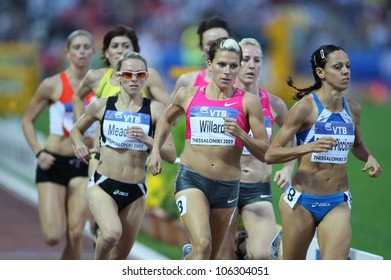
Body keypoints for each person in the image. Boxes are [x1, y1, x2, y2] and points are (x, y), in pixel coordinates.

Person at [149, 37, 270, 260]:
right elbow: (165, 120)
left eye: (234, 66)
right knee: (203, 244)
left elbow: (265, 152)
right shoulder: (188, 94)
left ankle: (189, 258)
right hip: (192, 179)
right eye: (221, 64)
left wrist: (242, 135)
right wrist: (156, 150)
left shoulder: (249, 102)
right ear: (209, 64)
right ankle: (195, 252)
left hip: (227, 185)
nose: (227, 71)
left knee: (210, 255)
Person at [264, 44, 382, 260]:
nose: (345, 71)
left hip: (338, 201)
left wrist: (369, 157)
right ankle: (282, 250)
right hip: (301, 202)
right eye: (338, 67)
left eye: (347, 66)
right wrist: (308, 147)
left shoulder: (353, 109)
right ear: (321, 73)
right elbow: (272, 154)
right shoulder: (305, 108)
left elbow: (357, 144)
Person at [70, 51, 176, 260]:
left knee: (119, 257)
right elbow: (76, 130)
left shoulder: (155, 110)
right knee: (110, 234)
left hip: (136, 190)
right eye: (128, 74)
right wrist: (79, 145)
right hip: (103, 184)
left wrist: (148, 141)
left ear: (146, 78)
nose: (134, 79)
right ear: (118, 77)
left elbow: (171, 155)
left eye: (139, 74)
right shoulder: (101, 106)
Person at [216, 38, 295, 260]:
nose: (251, 65)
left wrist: (288, 168)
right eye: (246, 59)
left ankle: (242, 244)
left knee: (262, 255)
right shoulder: (220, 101)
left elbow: (294, 136)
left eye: (257, 60)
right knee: (220, 260)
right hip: (223, 186)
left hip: (257, 188)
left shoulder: (274, 104)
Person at [21, 29, 96, 259]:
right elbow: (27, 120)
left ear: (93, 52)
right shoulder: (51, 84)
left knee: (75, 233)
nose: (81, 52)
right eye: (77, 47)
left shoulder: (101, 85)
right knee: (53, 235)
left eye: (86, 47)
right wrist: (38, 151)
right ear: (67, 52)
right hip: (52, 162)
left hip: (83, 164)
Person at [173, 15, 231, 90]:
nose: (217, 48)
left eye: (223, 42)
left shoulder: (244, 83)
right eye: (210, 44)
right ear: (201, 49)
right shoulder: (186, 82)